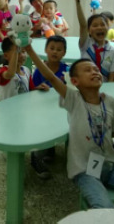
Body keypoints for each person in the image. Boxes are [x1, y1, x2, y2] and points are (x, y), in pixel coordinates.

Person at [31, 52, 114, 212]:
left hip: (111, 165)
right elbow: (50, 76)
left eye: (96, 70)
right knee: (104, 207)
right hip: (85, 171)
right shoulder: (74, 100)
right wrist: (29, 49)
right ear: (75, 81)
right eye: (88, 70)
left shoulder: (110, 101)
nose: (95, 72)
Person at [28, 35, 69, 178]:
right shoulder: (39, 70)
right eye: (52, 48)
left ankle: (51, 148)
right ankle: (36, 157)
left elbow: (70, 90)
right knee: (43, 127)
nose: (55, 52)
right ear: (46, 50)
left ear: (64, 53)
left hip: (61, 108)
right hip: (43, 108)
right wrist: (38, 88)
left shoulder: (66, 70)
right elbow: (32, 90)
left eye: (59, 49)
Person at [73, 0, 114, 82]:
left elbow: (112, 80)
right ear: (89, 30)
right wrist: (77, 1)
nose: (99, 27)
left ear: (108, 28)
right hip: (85, 87)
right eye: (95, 25)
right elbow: (83, 25)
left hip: (103, 88)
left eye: (102, 24)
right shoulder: (86, 44)